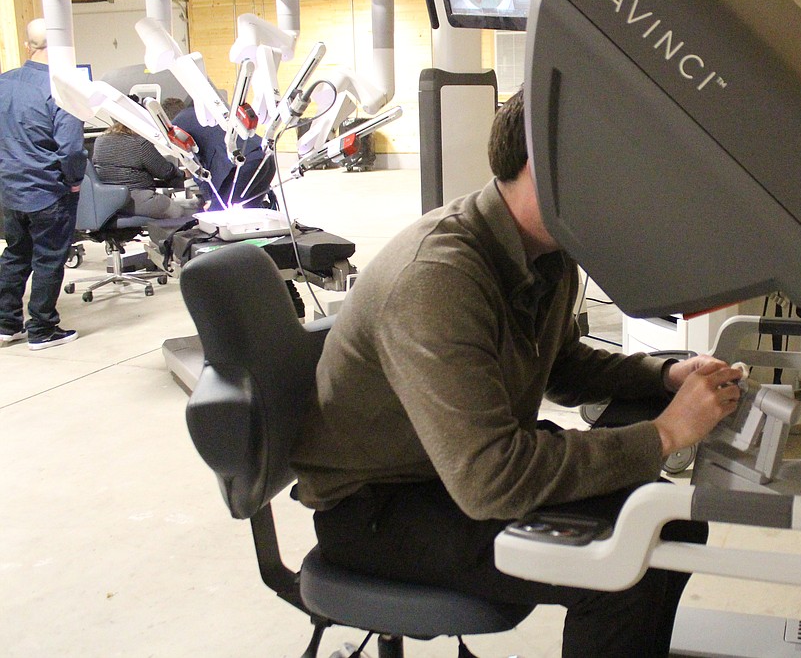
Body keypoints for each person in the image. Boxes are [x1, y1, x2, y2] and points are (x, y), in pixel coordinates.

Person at [291, 90, 743, 657]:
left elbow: (560, 365)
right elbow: (492, 480)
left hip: (447, 471)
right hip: (382, 509)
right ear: (544, 167)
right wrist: (667, 433)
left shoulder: (544, 251)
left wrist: (664, 377)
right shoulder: (438, 278)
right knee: (632, 563)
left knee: (667, 523)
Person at [0, 19, 85, 351]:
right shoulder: (64, 87)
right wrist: (74, 181)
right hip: (48, 190)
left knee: (15, 254)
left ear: (27, 46)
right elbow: (72, 148)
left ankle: (7, 324)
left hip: (9, 190)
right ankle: (42, 327)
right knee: (49, 257)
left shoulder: (3, 83)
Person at [170, 100, 273, 210]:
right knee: (251, 213)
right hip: (267, 157)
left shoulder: (175, 126)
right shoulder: (204, 113)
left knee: (217, 214)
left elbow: (195, 163)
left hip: (242, 163)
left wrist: (209, 197)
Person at [92, 118, 200, 219]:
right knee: (184, 212)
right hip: (135, 200)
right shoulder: (139, 142)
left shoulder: (100, 141)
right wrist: (183, 173)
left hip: (108, 201)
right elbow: (164, 171)